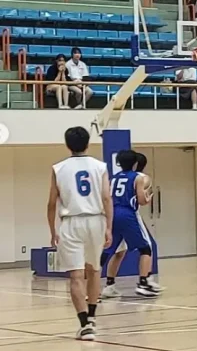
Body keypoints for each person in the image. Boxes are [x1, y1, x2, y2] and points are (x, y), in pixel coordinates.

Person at [47, 126, 113, 340]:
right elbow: (106, 198)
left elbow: (51, 203)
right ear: (88, 143)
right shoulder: (100, 166)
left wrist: (52, 230)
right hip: (96, 220)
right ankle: (92, 318)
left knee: (76, 275)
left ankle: (84, 324)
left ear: (67, 145)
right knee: (94, 270)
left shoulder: (58, 168)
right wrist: (109, 227)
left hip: (71, 221)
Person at [101, 152, 164, 298]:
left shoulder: (114, 178)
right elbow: (141, 200)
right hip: (128, 214)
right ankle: (144, 283)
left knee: (116, 252)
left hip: (113, 213)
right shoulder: (138, 178)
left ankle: (108, 285)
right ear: (135, 163)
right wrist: (148, 197)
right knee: (146, 249)